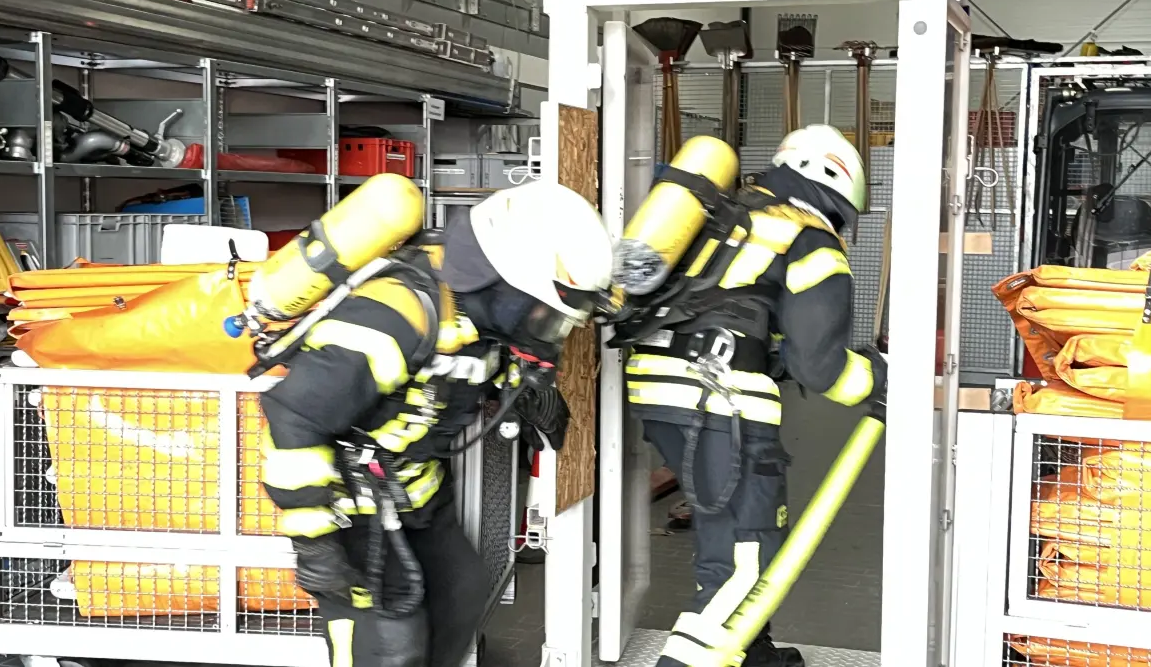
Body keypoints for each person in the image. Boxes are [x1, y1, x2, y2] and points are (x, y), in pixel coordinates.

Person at [258, 180, 614, 667]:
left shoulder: (483, 318)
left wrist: (530, 392)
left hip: (419, 498)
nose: (546, 328)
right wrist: (313, 541)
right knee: (391, 648)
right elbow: (294, 416)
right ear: (503, 283)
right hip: (353, 512)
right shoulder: (393, 317)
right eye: (541, 312)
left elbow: (473, 370)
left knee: (461, 598)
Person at [615, 124, 888, 667]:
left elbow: (738, 314)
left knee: (729, 534)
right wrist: (881, 381)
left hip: (660, 389)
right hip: (722, 403)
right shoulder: (809, 238)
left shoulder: (729, 215)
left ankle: (754, 654)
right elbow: (820, 366)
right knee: (747, 557)